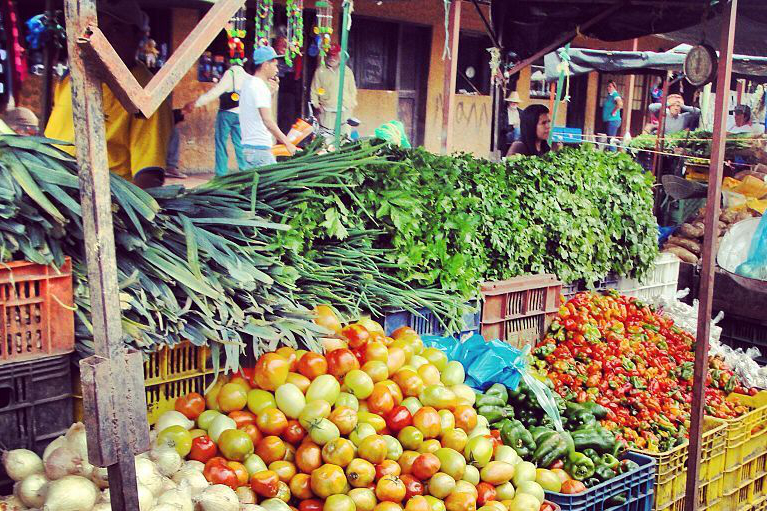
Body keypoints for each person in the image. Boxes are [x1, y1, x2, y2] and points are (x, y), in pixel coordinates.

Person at [44, 0, 173, 188]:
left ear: (138, 36)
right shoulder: (72, 77)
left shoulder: (146, 95)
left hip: (95, 201)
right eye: (95, 30)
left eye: (115, 29)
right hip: (48, 191)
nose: (103, 39)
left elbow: (149, 177)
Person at [184, 63, 249, 176]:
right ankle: (245, 171)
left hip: (226, 114)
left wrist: (196, 103)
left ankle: (221, 173)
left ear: (229, 63)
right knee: (239, 144)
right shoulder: (247, 77)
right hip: (241, 115)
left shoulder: (230, 74)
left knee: (221, 143)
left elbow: (215, 92)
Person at [239, 46, 296, 168]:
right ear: (265, 65)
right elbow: (267, 120)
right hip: (259, 150)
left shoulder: (249, 83)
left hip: (249, 148)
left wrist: (271, 92)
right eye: (275, 65)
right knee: (275, 186)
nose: (277, 70)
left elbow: (256, 111)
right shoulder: (259, 86)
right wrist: (287, 143)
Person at [310, 44, 358, 135]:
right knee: (326, 139)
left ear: (339, 56)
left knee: (344, 139)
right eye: (330, 55)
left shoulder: (347, 71)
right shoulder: (320, 71)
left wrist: (351, 104)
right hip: (327, 111)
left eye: (335, 55)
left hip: (344, 111)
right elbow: (314, 89)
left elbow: (353, 90)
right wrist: (317, 105)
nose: (332, 58)